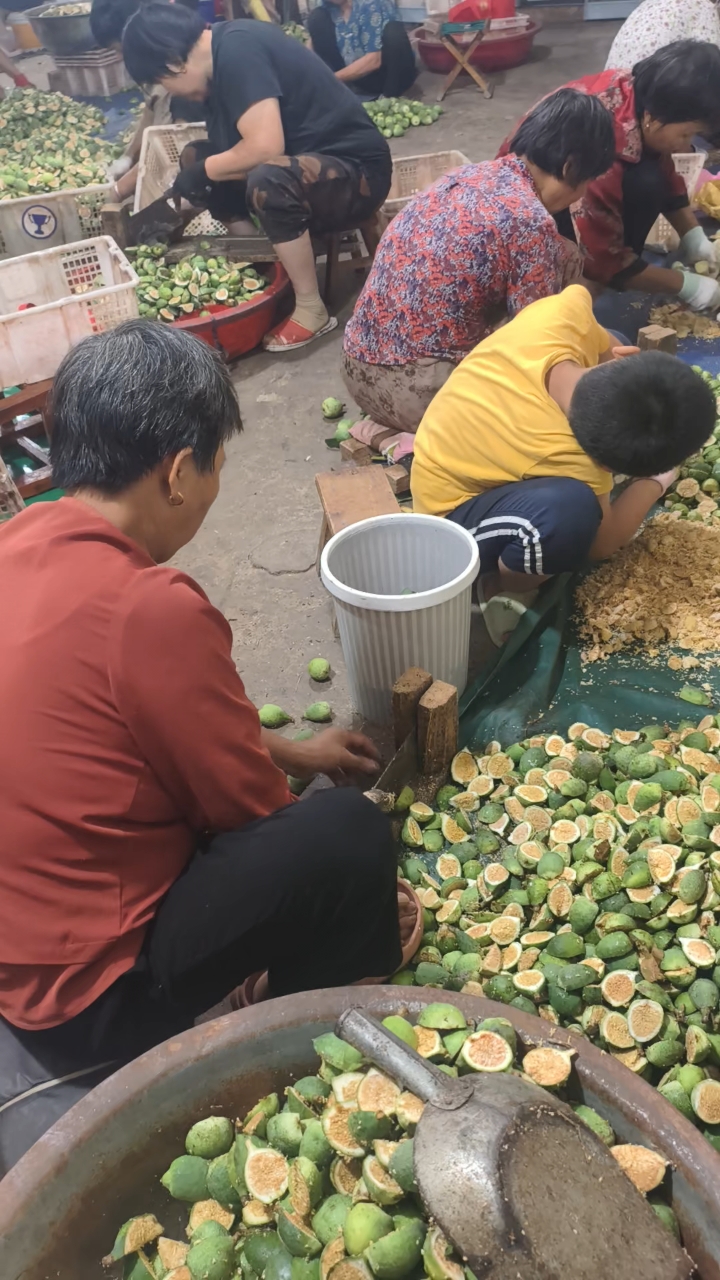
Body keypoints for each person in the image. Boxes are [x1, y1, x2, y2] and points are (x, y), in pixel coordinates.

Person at [0, 320, 416, 1173]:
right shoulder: (151, 606)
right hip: (88, 996)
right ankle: (306, 1035)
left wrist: (296, 751)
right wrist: (360, 890)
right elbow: (248, 818)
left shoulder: (16, 546)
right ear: (180, 472)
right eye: (220, 464)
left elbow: (121, 723)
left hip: (17, 934)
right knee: (345, 836)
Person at [411, 284, 715, 615]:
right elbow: (603, 543)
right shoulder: (566, 458)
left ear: (624, 358)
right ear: (604, 466)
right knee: (570, 513)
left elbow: (605, 343)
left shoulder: (562, 315)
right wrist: (655, 481)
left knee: (608, 334)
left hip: (469, 427)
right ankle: (502, 587)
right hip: (450, 518)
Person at [342, 88, 616, 434]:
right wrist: (598, 349)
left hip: (357, 368)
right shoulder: (529, 219)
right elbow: (540, 336)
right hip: (421, 396)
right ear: (570, 167)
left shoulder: (470, 175)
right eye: (588, 182)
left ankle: (395, 429)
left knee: (560, 256)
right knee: (551, 382)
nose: (583, 193)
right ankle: (425, 439)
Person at [122, 5, 392, 351]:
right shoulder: (216, 64)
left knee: (267, 179)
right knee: (198, 155)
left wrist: (203, 173)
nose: (170, 91)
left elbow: (265, 147)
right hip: (306, 166)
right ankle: (263, 265)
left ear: (175, 61)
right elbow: (230, 150)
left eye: (163, 80)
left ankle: (312, 308)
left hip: (356, 173)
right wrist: (196, 177)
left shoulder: (237, 50)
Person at [498, 43, 720, 310]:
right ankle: (595, 283)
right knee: (641, 189)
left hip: (566, 186)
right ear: (653, 117)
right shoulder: (600, 146)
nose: (686, 146)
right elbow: (601, 257)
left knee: (650, 178)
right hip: (530, 204)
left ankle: (625, 271)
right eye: (686, 134)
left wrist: (694, 237)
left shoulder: (642, 95)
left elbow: (664, 162)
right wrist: (687, 286)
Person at [90, 0, 205, 205]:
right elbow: (149, 113)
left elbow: (172, 143)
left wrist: (119, 190)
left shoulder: (177, 80)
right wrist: (127, 157)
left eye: (119, 49)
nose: (118, 57)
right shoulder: (155, 67)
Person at [306, 0, 416, 99]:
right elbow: (314, 40)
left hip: (387, 73)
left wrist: (329, 80)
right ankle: (343, 87)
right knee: (317, 17)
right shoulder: (328, 4)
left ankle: (390, 96)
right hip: (356, 74)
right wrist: (304, 68)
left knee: (393, 32)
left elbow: (374, 61)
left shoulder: (371, 4)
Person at [606, 0, 720, 71]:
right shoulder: (701, 7)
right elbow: (712, 64)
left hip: (613, 94)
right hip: (645, 101)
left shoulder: (648, 4)